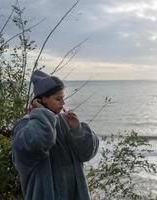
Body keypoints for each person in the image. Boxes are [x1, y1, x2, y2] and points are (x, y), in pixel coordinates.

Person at [11, 70, 99, 200]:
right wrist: (42, 113)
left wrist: (77, 130)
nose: (63, 103)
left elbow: (87, 154)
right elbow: (37, 143)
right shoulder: (25, 125)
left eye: (63, 98)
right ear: (41, 100)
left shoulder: (66, 121)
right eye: (58, 99)